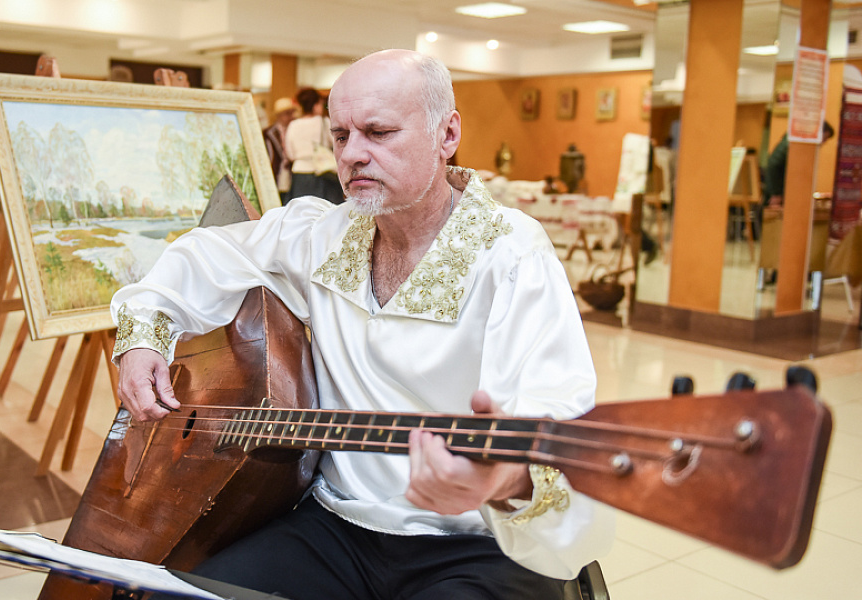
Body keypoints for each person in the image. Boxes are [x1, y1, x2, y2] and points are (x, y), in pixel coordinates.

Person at [111, 49, 614, 600]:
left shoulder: (511, 254)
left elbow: (560, 416)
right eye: (341, 135)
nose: (352, 155)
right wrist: (143, 335)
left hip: (476, 542)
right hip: (337, 529)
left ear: (447, 135)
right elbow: (207, 254)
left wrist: (504, 478)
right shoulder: (325, 233)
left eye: (378, 132)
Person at [283, 86, 345, 205]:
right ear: (316, 104)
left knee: (301, 211)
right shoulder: (324, 122)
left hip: (299, 172)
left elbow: (290, 154)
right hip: (322, 171)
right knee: (324, 210)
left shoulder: (293, 125)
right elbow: (337, 143)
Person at [764, 120, 835, 207]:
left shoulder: (794, 142)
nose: (824, 142)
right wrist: (776, 194)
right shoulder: (794, 144)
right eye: (825, 138)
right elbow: (773, 165)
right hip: (780, 193)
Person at [263, 97, 297, 204]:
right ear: (278, 116)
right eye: (287, 113)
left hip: (292, 175)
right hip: (276, 174)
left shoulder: (295, 129)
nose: (291, 117)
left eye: (292, 113)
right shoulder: (269, 133)